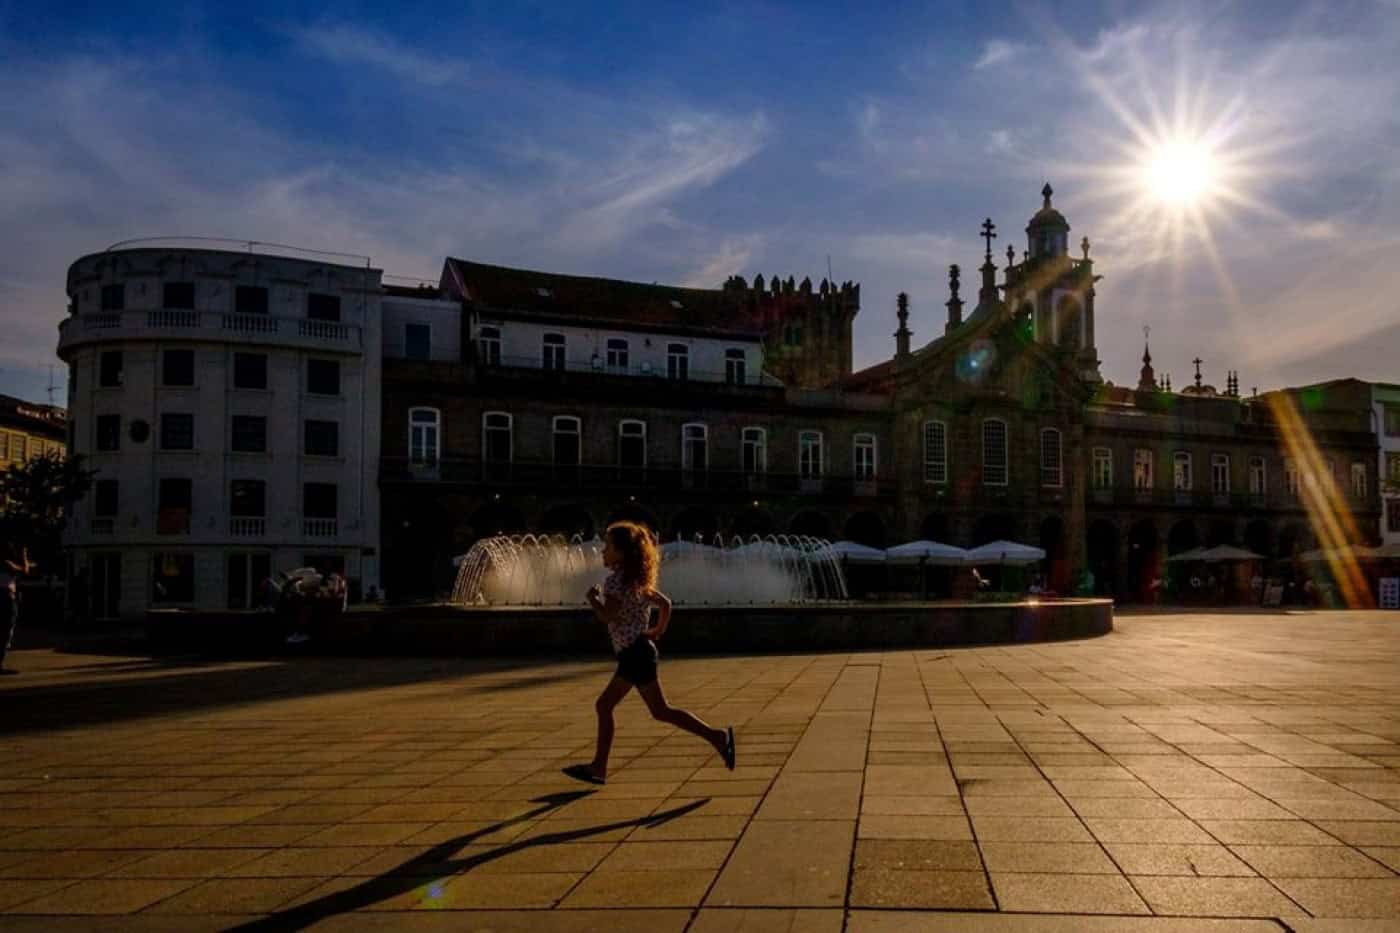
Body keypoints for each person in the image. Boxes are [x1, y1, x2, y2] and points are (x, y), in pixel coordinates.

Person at [564, 521, 735, 785]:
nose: (602, 551)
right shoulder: (638, 579)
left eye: (607, 546)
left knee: (606, 706)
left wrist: (592, 598)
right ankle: (718, 737)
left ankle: (599, 768)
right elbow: (665, 603)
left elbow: (607, 615)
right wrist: (657, 630)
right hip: (641, 651)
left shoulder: (614, 582)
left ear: (621, 552)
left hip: (633, 654)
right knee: (660, 711)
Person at [1, 547, 35, 674]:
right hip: (5, 599)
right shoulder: (7, 564)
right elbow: (24, 570)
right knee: (5, 632)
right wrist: (24, 557)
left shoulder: (7, 565)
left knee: (6, 632)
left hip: (7, 597)